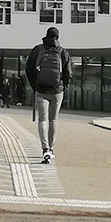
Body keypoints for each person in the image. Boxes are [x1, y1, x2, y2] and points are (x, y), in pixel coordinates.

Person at [25, 26, 72, 164]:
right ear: (57, 37)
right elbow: (69, 73)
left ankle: (44, 148)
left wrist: (35, 86)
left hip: (41, 90)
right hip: (57, 91)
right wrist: (63, 87)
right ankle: (51, 149)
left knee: (42, 120)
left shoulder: (38, 49)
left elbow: (29, 69)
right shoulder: (63, 52)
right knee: (53, 120)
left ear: (46, 36)